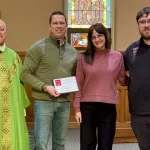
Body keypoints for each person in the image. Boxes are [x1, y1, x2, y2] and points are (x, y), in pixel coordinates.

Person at [20, 11, 78, 150]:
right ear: (49, 26)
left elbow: (76, 77)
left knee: (60, 143)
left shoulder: (73, 52)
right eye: (55, 23)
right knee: (41, 143)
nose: (59, 26)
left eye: (62, 23)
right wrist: (45, 87)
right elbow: (24, 74)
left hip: (64, 103)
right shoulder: (37, 48)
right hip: (43, 102)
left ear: (66, 26)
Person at [73, 23, 126, 150]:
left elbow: (123, 79)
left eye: (100, 35)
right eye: (93, 37)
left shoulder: (117, 56)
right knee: (87, 146)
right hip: (87, 108)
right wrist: (77, 109)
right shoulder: (83, 58)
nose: (97, 39)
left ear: (106, 36)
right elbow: (78, 83)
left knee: (106, 146)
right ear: (90, 40)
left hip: (108, 108)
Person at [0, 20, 30, 150]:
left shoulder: (14, 57)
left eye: (1, 29)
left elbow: (20, 85)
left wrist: (21, 106)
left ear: (5, 32)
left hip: (11, 108)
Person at [124, 7, 150, 150]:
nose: (146, 25)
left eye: (149, 21)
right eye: (142, 22)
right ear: (138, 25)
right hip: (139, 113)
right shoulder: (131, 50)